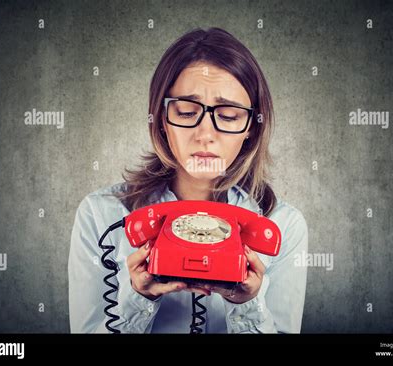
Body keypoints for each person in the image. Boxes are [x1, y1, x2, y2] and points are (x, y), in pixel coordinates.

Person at [69, 27, 308, 333]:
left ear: (252, 126)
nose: (205, 135)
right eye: (185, 111)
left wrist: (248, 303)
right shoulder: (100, 215)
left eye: (229, 115)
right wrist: (137, 298)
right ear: (161, 120)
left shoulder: (284, 225)